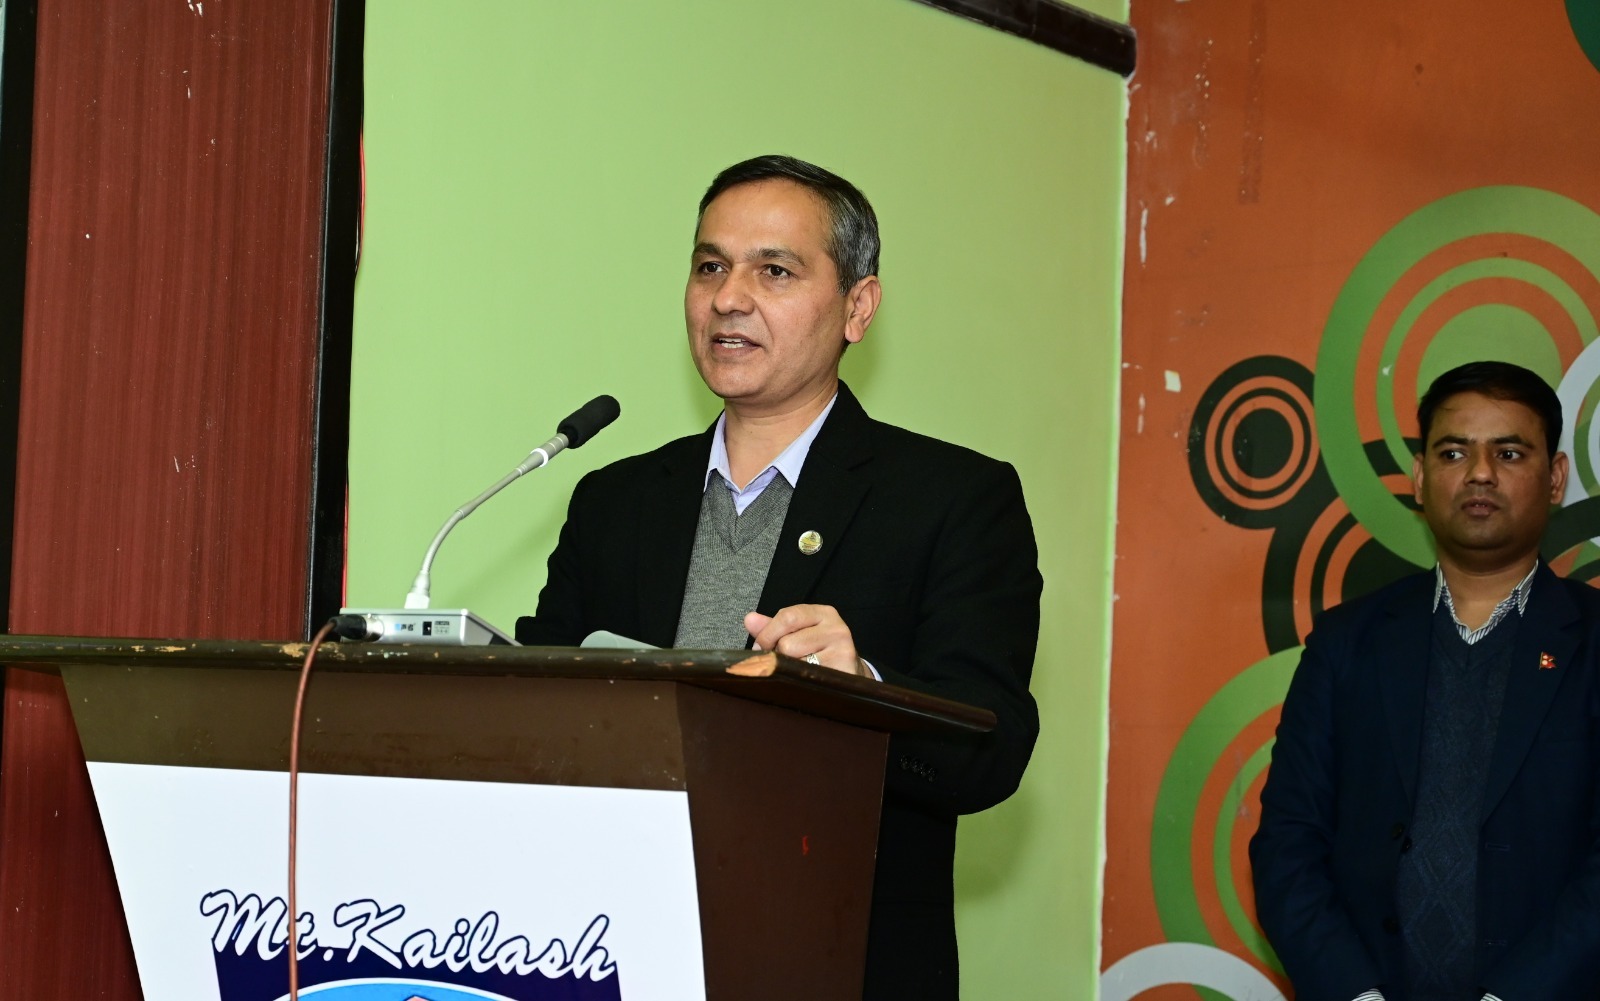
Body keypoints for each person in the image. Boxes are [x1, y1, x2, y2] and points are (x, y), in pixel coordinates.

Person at [515, 155, 1041, 998]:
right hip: (610, 953)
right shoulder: (616, 500)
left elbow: (993, 749)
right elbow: (530, 713)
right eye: (710, 266)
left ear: (858, 307)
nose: (729, 297)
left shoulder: (951, 498)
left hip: (834, 962)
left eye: (775, 271)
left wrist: (864, 688)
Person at [1250, 361, 1600, 1001]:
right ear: (1419, 477)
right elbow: (1288, 843)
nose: (1480, 473)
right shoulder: (1346, 641)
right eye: (1454, 452)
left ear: (1554, 479)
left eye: (1509, 453)